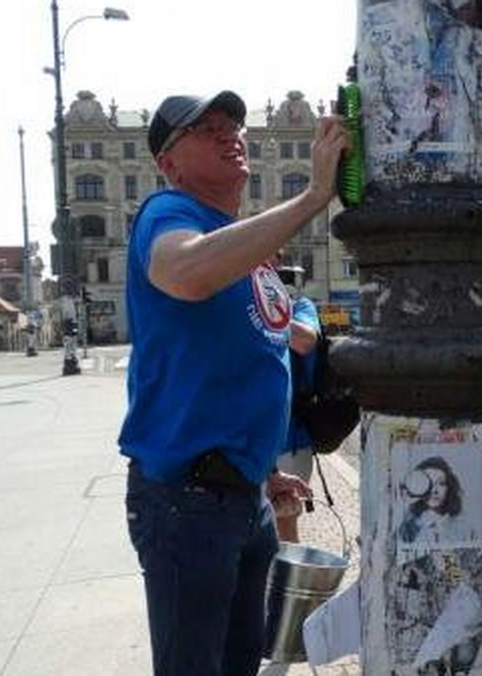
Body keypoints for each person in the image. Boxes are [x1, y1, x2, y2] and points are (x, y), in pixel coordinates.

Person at [117, 90, 348, 676]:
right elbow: (182, 270)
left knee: (240, 663)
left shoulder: (241, 239)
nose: (231, 135)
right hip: (186, 501)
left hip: (244, 495)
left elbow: (244, 363)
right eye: (208, 129)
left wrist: (265, 468)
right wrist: (314, 195)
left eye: (234, 125)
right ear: (168, 162)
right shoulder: (169, 214)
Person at [276, 264, 319, 542]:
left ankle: (283, 585)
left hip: (291, 441)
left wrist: (268, 315)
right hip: (247, 437)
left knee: (284, 522)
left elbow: (306, 341)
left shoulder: (299, 306)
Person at [399, 456, 465, 544]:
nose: (434, 490)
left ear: (449, 487)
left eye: (441, 483)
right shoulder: (409, 525)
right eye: (429, 484)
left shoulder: (462, 527)